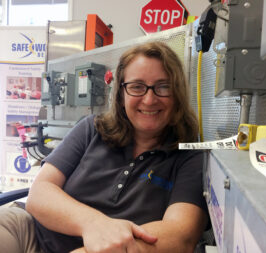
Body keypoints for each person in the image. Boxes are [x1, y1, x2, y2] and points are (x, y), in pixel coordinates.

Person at [0, 41, 208, 253]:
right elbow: (40, 193)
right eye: (137, 86)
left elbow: (180, 235)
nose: (149, 99)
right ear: (121, 94)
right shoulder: (92, 128)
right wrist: (93, 224)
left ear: (177, 94)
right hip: (30, 235)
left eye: (163, 86)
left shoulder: (190, 157)